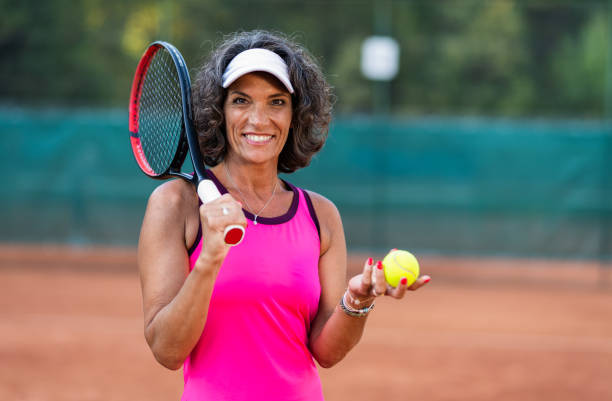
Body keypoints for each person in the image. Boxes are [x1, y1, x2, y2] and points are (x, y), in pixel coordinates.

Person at [137, 30, 431, 401]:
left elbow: (326, 352)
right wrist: (210, 258)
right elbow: (167, 350)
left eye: (276, 102)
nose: (259, 119)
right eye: (241, 100)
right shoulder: (175, 205)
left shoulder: (321, 216)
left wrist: (358, 299)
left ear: (295, 116)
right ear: (219, 109)